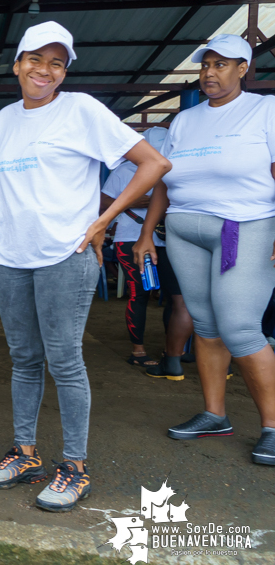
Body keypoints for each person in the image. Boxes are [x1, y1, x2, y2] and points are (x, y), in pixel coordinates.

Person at [0, 21, 171, 511]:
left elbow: (153, 164)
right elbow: (3, 189)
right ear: (18, 64)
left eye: (57, 63)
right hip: (10, 258)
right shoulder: (5, 119)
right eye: (35, 60)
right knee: (23, 360)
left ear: (65, 72)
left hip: (65, 255)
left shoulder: (81, 109)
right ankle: (25, 454)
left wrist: (103, 219)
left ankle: (75, 468)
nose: (45, 71)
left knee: (64, 361)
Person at [133, 34, 275, 466]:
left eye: (221, 65)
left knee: (240, 327)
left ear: (243, 69)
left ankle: (272, 426)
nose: (210, 73)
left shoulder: (265, 110)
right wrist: (146, 235)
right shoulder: (185, 120)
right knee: (206, 325)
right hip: (183, 230)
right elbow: (163, 179)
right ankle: (216, 414)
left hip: (243, 225)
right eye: (206, 65)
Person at [101, 127, 193, 378]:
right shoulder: (125, 170)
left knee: (175, 298)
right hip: (131, 239)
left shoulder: (177, 170)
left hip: (169, 241)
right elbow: (101, 202)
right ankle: (138, 351)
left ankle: (172, 351)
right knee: (138, 294)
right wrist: (134, 202)